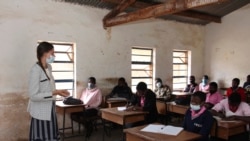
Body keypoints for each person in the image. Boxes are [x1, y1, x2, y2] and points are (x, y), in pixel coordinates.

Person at [27, 42, 70, 141]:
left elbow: (48, 88)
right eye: (52, 53)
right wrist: (54, 93)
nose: (54, 56)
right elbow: (33, 96)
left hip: (49, 107)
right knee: (42, 136)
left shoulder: (49, 68)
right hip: (40, 110)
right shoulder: (35, 70)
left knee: (51, 135)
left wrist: (59, 91)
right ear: (45, 53)